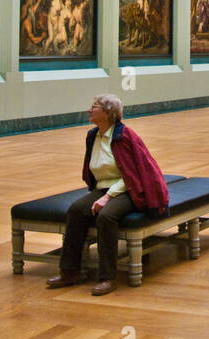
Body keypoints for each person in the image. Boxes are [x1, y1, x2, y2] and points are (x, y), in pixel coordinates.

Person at [47, 94, 169, 296]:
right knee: (76, 210)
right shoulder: (92, 136)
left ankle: (107, 277)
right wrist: (99, 193)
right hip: (103, 187)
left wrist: (108, 197)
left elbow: (132, 174)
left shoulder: (125, 136)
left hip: (128, 189)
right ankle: (70, 271)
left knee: (106, 216)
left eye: (94, 106)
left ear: (108, 113)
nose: (89, 110)